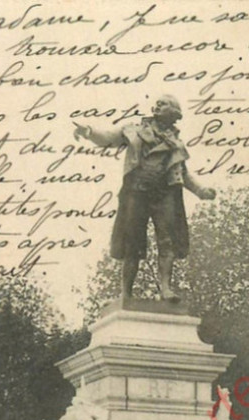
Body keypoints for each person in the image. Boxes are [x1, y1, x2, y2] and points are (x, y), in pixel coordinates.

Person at [73, 94, 216, 301]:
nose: (158, 105)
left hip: (165, 192)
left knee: (167, 241)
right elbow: (107, 138)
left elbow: (182, 172)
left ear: (174, 113)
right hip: (137, 191)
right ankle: (126, 293)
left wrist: (201, 191)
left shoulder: (176, 142)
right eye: (158, 103)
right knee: (132, 242)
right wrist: (88, 131)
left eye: (164, 103)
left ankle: (166, 288)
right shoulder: (134, 130)